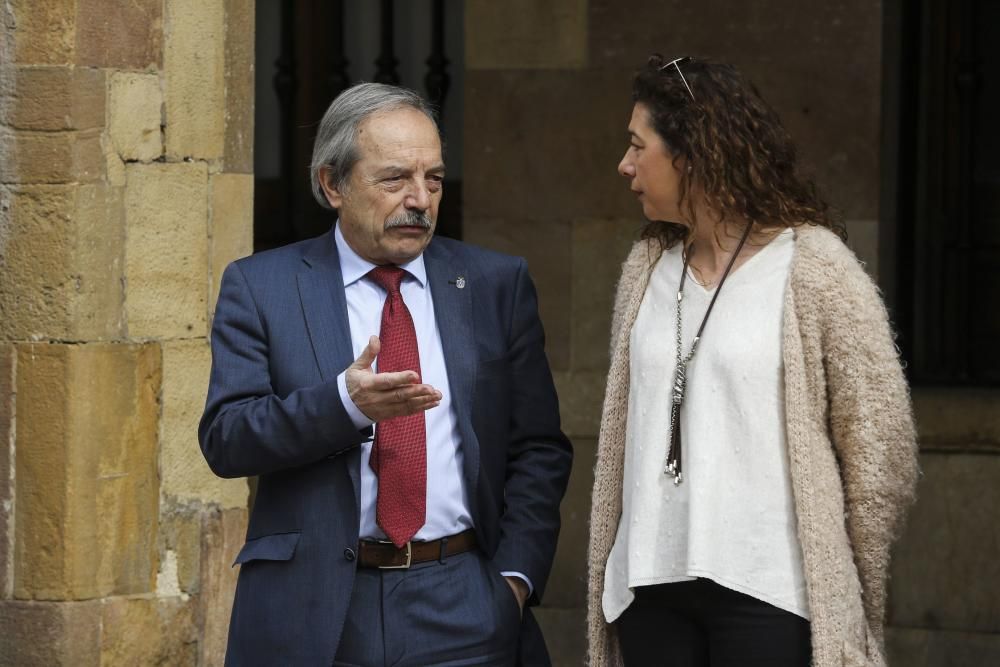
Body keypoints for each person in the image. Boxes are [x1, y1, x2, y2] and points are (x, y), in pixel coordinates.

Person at [199, 82, 572, 666]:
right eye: (395, 179)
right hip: (315, 608)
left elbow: (539, 448)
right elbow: (228, 438)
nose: (420, 199)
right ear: (332, 184)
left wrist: (512, 583)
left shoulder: (495, 284)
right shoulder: (262, 286)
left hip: (464, 601)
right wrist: (344, 405)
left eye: (434, 179)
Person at [586, 56, 919, 667]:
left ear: (691, 153)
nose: (624, 165)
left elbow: (880, 447)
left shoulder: (814, 268)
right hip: (650, 584)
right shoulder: (646, 270)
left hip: (769, 589)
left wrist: (850, 581)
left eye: (638, 146)